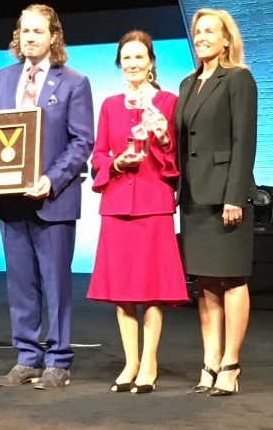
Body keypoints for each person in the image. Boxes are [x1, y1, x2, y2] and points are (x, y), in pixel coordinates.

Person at [0, 4, 94, 390]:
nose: (29, 37)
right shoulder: (1, 79)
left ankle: (59, 360)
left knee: (55, 282)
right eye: (24, 31)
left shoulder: (74, 82)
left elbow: (82, 141)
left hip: (54, 200)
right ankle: (26, 357)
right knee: (19, 283)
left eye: (37, 31)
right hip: (12, 201)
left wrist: (51, 179)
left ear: (53, 36)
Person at [86, 30, 187, 394]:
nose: (132, 64)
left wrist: (160, 135)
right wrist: (115, 163)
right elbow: (97, 155)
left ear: (151, 63)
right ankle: (130, 361)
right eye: (126, 58)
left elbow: (175, 158)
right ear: (119, 64)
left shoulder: (168, 101)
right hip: (116, 205)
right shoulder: (110, 104)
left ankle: (150, 362)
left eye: (139, 58)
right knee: (123, 292)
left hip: (152, 204)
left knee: (152, 289)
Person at [175, 8, 257, 397]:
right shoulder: (187, 83)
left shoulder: (238, 79)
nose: (201, 36)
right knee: (205, 282)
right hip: (192, 196)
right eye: (197, 31)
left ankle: (231, 363)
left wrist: (235, 195)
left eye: (210, 31)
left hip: (226, 195)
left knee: (232, 278)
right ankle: (209, 360)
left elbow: (243, 141)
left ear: (227, 39)